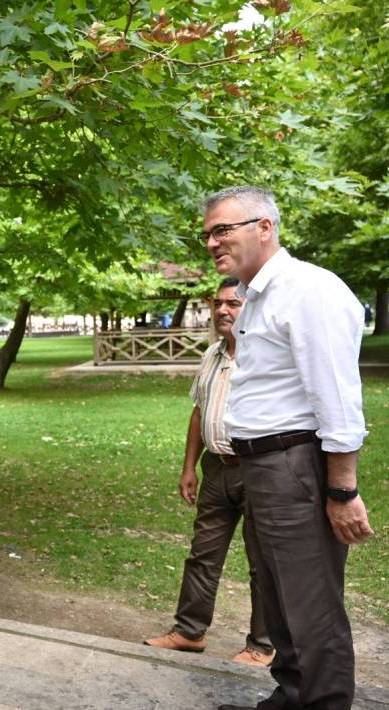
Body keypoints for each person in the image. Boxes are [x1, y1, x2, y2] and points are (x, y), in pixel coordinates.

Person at [201, 187, 373, 710]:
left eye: (222, 229)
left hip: (293, 464)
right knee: (277, 596)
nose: (211, 242)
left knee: (311, 604)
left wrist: (342, 490)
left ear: (265, 228)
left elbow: (337, 397)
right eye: (207, 233)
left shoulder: (308, 290)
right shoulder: (258, 295)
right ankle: (291, 695)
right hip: (260, 467)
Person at [145, 278, 274, 667]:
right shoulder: (212, 355)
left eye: (232, 304)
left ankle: (263, 645)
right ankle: (189, 632)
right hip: (216, 468)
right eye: (218, 303)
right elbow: (199, 412)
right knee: (203, 555)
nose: (222, 311)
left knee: (264, 561)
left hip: (260, 470)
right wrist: (189, 467)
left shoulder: (266, 355)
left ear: (250, 307)